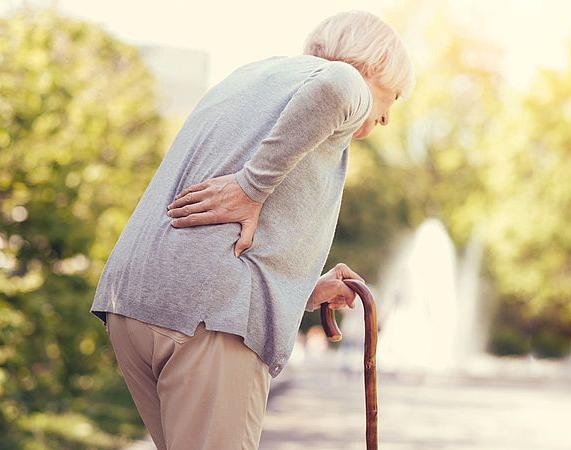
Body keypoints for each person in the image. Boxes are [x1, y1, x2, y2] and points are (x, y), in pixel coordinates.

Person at [89, 10, 414, 450]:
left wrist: (303, 291)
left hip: (135, 301)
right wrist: (251, 187)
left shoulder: (250, 77)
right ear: (374, 67)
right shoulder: (346, 81)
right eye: (393, 96)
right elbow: (337, 89)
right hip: (205, 316)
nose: (387, 117)